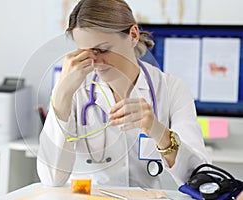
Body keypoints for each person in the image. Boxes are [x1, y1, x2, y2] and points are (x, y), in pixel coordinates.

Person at [37, 0, 210, 189]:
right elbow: (51, 178)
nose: (94, 62)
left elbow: (198, 176)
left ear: (133, 35)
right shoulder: (73, 90)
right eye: (85, 53)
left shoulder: (171, 88)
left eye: (102, 50)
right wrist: (62, 94)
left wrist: (157, 130)